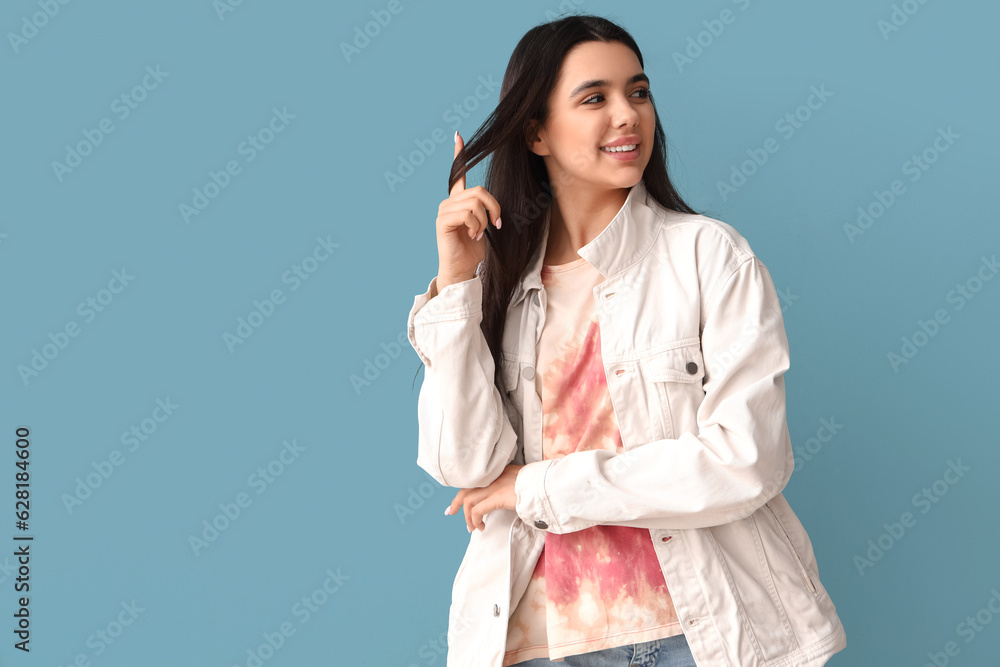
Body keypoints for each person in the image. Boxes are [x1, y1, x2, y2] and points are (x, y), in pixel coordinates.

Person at [406, 13, 847, 667]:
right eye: (595, 98)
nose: (628, 115)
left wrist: (535, 487)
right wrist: (456, 281)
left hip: (698, 635)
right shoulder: (497, 282)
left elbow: (745, 459)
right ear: (535, 131)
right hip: (533, 638)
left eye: (638, 92)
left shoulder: (708, 256)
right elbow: (464, 466)